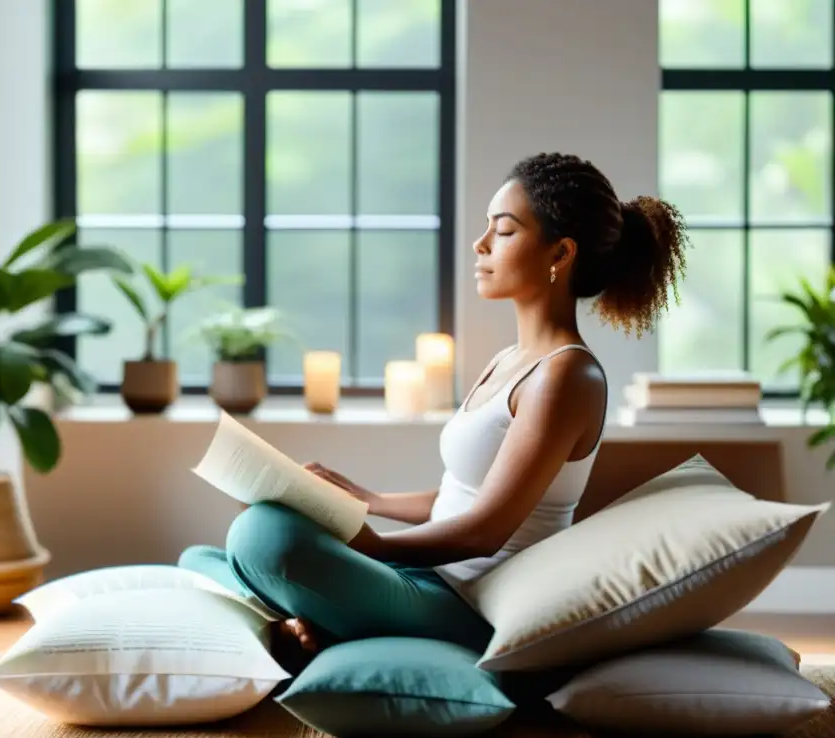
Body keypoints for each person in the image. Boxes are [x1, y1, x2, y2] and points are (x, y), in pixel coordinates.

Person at [179, 151, 688, 670]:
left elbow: (485, 531)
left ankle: (308, 630)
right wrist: (367, 500)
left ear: (559, 254)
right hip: (429, 577)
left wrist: (373, 548)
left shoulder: (567, 377)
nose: (481, 243)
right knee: (200, 559)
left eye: (505, 231)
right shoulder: (509, 360)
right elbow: (463, 497)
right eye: (487, 226)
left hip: (471, 602)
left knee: (262, 541)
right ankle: (308, 630)